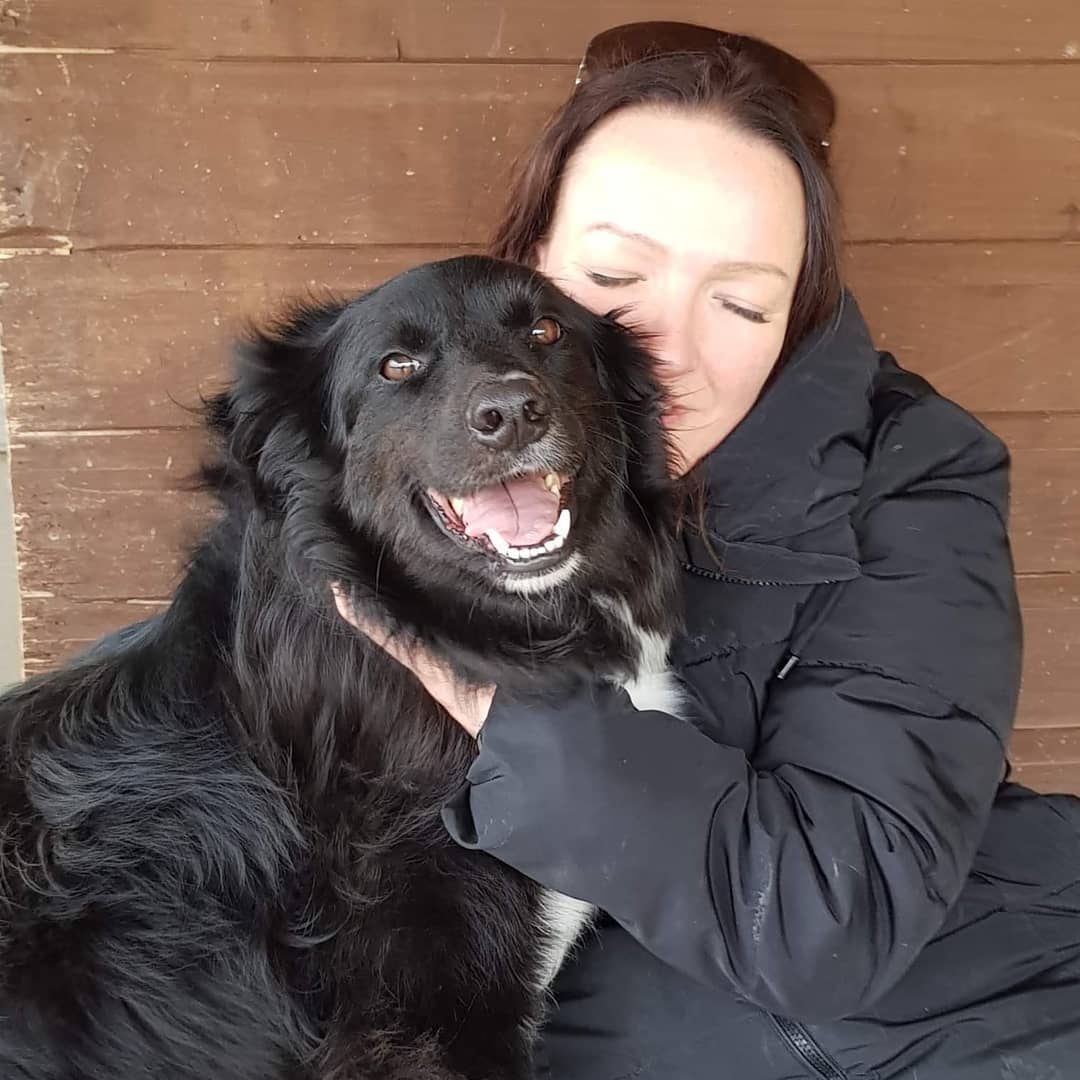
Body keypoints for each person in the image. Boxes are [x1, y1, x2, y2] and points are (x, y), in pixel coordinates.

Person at [333, 21, 1080, 1080]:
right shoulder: (408, 453)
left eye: (741, 301)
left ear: (798, 316)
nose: (669, 350)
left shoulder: (913, 475)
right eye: (613, 277)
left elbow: (836, 911)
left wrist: (521, 715)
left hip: (947, 1014)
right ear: (529, 264)